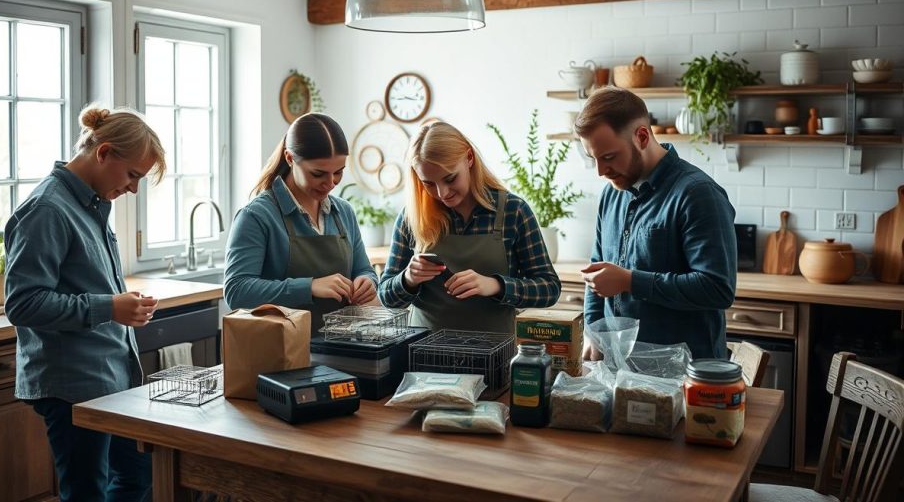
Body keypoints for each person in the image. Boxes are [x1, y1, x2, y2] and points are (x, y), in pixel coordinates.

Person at [4, 105, 166, 502]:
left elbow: (84, 282)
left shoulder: (91, 203)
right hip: (71, 384)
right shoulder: (47, 209)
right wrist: (108, 307)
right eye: (132, 176)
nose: (133, 189)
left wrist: (119, 304)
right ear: (104, 152)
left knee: (138, 475)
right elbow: (22, 303)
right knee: (85, 493)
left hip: (111, 379)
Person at [574, 87, 737, 360]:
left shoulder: (697, 193)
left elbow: (717, 289)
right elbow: (596, 270)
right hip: (620, 373)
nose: (601, 172)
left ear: (641, 136)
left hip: (686, 377)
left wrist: (629, 281)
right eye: (594, 159)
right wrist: (593, 331)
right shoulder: (611, 194)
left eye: (609, 157)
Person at [378, 121, 561, 334]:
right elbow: (386, 298)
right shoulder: (412, 217)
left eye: (450, 178)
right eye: (428, 183)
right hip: (423, 355)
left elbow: (549, 288)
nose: (442, 193)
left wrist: (496, 286)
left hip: (495, 355)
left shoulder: (514, 211)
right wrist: (408, 279)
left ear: (469, 158)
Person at [224, 113, 379, 335]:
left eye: (338, 172)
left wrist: (367, 281)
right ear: (289, 158)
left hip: (342, 349)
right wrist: (310, 286)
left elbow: (363, 269)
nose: (330, 183)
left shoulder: (343, 212)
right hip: (279, 353)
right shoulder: (256, 216)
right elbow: (237, 291)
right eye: (318, 174)